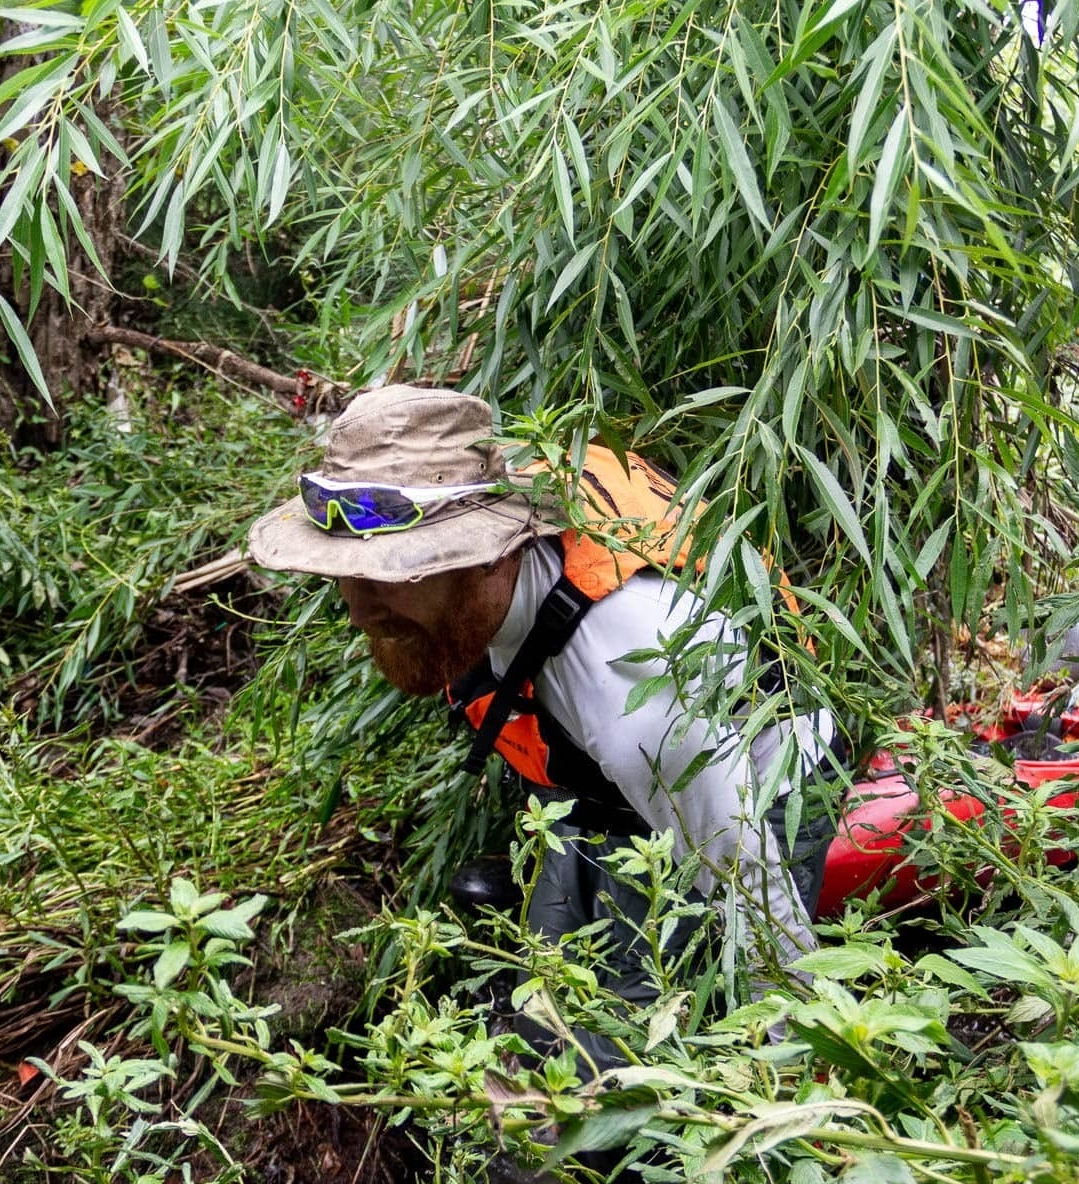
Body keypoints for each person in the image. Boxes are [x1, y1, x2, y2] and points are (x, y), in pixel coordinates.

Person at [246, 385, 837, 1012]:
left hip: (743, 800)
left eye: (393, 574)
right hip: (604, 792)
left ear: (489, 556)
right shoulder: (478, 546)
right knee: (545, 1010)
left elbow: (751, 890)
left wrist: (798, 1061)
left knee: (628, 1038)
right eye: (345, 573)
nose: (359, 610)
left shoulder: (631, 676)